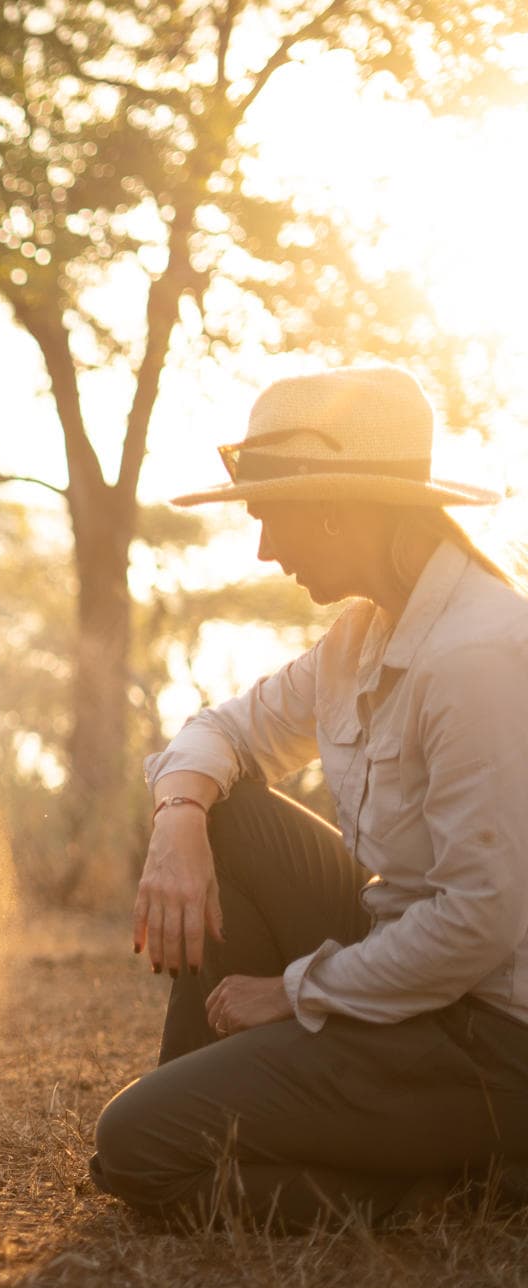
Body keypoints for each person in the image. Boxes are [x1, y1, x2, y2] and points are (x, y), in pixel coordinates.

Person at [92, 364, 528, 1228]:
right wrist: (177, 820)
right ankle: (202, 1099)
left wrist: (297, 989)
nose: (263, 549)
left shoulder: (475, 654)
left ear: (336, 506)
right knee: (229, 809)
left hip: (488, 1040)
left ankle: (458, 1189)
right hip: (404, 964)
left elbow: (480, 922)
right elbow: (223, 729)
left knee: (140, 1149)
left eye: (265, 516)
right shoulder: (361, 636)